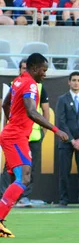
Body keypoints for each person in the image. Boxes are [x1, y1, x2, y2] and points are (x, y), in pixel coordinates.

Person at [0, 53, 70, 238]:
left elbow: (6, 104)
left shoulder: (18, 81)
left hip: (15, 135)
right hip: (15, 137)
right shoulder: (30, 84)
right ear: (34, 68)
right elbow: (32, 112)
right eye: (43, 70)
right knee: (24, 177)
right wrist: (56, 130)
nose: (45, 74)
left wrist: (11, 121)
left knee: (18, 177)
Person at [0, 60, 49, 208]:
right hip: (16, 135)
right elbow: (8, 106)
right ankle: (5, 199)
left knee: (27, 171)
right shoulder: (16, 83)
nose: (24, 71)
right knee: (13, 171)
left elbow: (45, 110)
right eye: (22, 68)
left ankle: (23, 198)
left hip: (32, 136)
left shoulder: (39, 86)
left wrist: (43, 131)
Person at [55, 72, 79, 207]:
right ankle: (63, 199)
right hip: (66, 142)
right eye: (73, 80)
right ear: (69, 82)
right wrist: (72, 140)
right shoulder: (62, 99)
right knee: (64, 173)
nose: (76, 83)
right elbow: (61, 121)